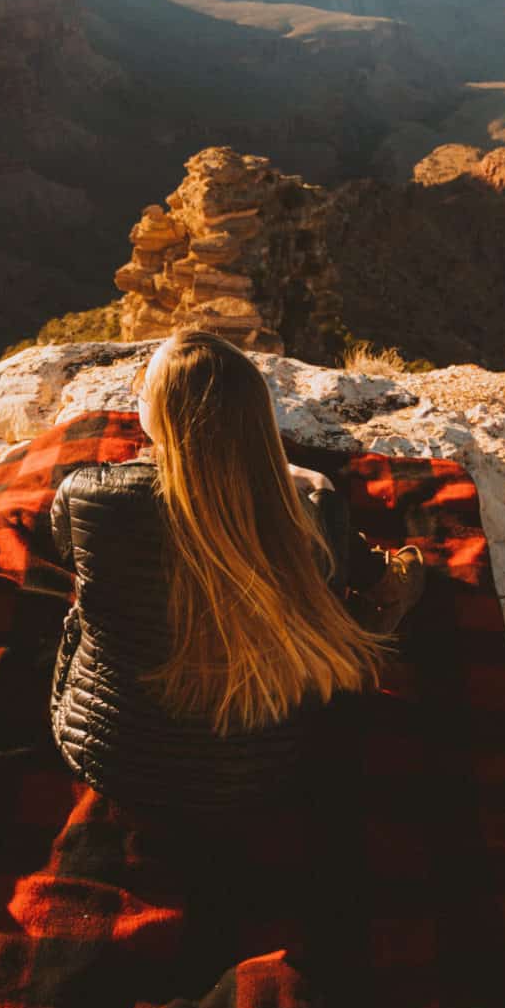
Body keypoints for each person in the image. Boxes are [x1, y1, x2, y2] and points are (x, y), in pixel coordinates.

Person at [46, 327, 427, 813]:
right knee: (311, 516)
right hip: (266, 768)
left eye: (144, 385)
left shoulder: (89, 494)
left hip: (111, 755)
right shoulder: (312, 508)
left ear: (160, 411)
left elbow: (65, 548)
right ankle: (389, 586)